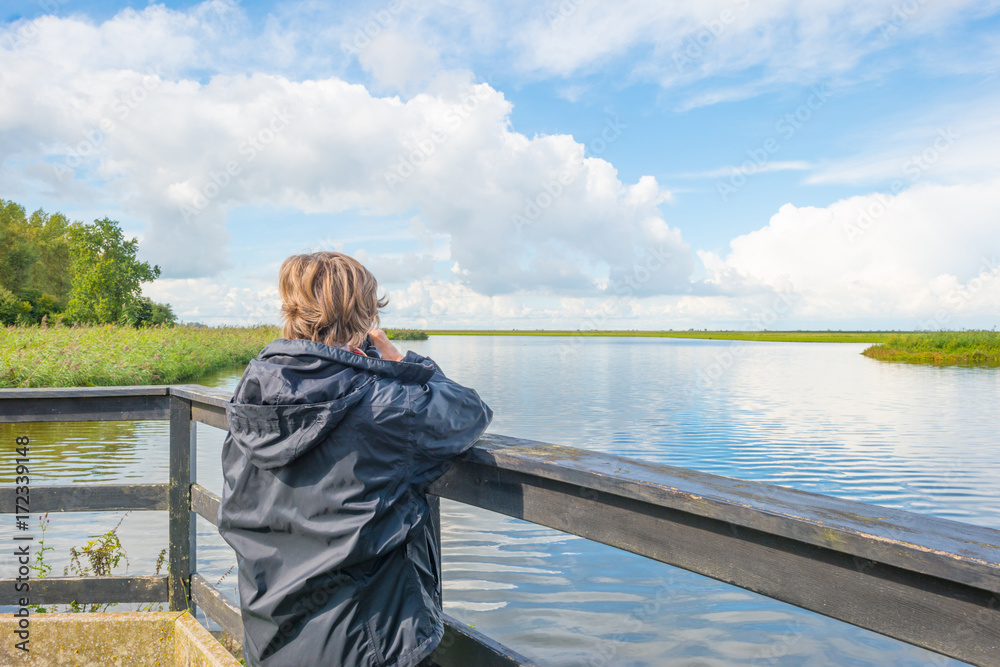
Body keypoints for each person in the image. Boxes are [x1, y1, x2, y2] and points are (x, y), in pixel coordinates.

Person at [217, 251, 493, 667]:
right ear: (365, 315)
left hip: (271, 642)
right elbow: (468, 412)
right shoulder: (384, 404)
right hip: (369, 646)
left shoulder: (251, 395)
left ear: (291, 309)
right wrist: (404, 364)